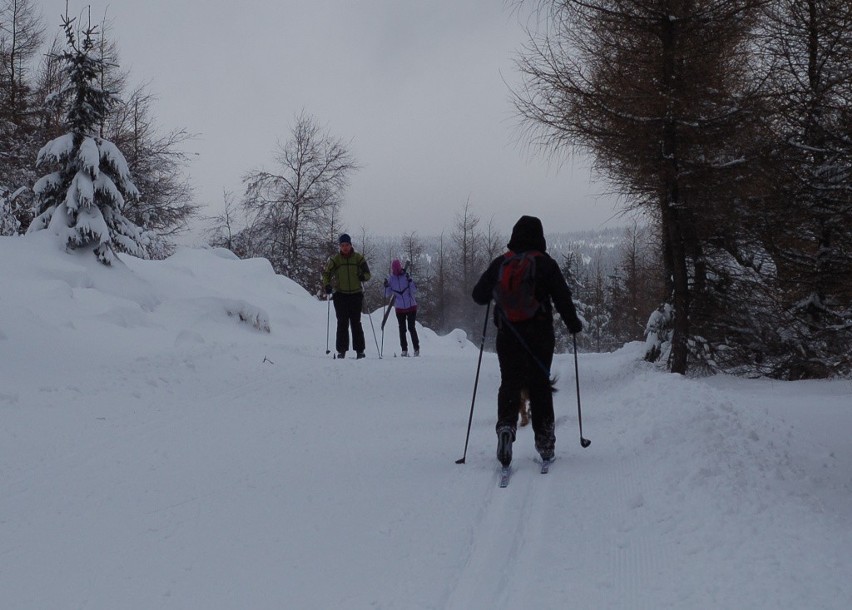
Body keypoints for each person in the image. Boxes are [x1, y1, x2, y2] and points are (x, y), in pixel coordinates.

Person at [471, 215, 583, 467]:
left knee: (509, 383)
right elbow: (563, 298)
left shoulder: (502, 262)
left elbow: (478, 296)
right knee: (540, 386)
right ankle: (545, 444)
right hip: (540, 336)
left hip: (507, 335)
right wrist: (573, 324)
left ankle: (506, 429)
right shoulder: (546, 264)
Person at [322, 233, 371, 359]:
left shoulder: (358, 258)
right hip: (340, 295)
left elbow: (367, 274)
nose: (344, 248)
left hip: (356, 294)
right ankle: (341, 351)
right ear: (340, 246)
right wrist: (327, 285)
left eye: (347, 245)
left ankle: (360, 350)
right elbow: (326, 273)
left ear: (350, 245)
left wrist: (363, 277)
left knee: (356, 323)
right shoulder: (335, 260)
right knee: (342, 323)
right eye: (342, 245)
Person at [384, 259, 420, 357]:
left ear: (400, 267)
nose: (396, 271)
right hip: (400, 308)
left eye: (398, 269)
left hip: (411, 306)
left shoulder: (406, 276)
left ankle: (416, 349)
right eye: (394, 269)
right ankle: (404, 349)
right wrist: (386, 286)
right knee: (402, 329)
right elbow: (387, 294)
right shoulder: (391, 278)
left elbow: (414, 290)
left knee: (411, 328)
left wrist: (410, 281)